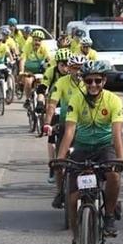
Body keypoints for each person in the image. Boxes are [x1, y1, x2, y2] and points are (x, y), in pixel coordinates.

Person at [58, 60, 123, 244]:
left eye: (97, 80)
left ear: (104, 80)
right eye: (89, 81)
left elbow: (117, 133)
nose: (93, 85)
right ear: (84, 82)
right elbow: (69, 132)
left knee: (113, 175)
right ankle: (76, 241)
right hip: (82, 148)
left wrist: (120, 159)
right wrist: (60, 158)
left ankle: (109, 215)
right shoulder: (76, 99)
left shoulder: (113, 100)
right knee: (72, 199)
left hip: (105, 147)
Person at [45, 53, 87, 208]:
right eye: (75, 68)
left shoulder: (89, 83)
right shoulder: (62, 82)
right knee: (59, 163)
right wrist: (47, 123)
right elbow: (52, 104)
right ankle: (59, 192)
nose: (78, 71)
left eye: (80, 68)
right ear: (69, 68)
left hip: (85, 126)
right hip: (65, 124)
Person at [41, 48, 73, 183]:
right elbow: (42, 88)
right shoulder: (51, 72)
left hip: (72, 105)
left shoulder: (75, 75)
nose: (65, 68)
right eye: (62, 65)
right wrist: (40, 102)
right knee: (52, 137)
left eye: (67, 65)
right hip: (54, 103)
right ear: (57, 64)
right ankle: (52, 164)